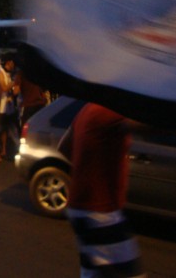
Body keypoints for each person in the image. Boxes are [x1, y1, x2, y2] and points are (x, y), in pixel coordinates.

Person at [58, 103, 145, 278]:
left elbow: (64, 147)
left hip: (81, 208)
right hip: (100, 212)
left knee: (93, 274)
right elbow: (148, 127)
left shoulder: (88, 109)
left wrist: (90, 167)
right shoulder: (111, 110)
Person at [0, 53, 19, 161]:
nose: (14, 65)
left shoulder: (8, 74)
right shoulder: (0, 73)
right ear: (9, 62)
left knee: (4, 130)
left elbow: (13, 91)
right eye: (13, 62)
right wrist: (15, 83)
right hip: (0, 106)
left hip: (8, 106)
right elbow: (4, 87)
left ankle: (4, 150)